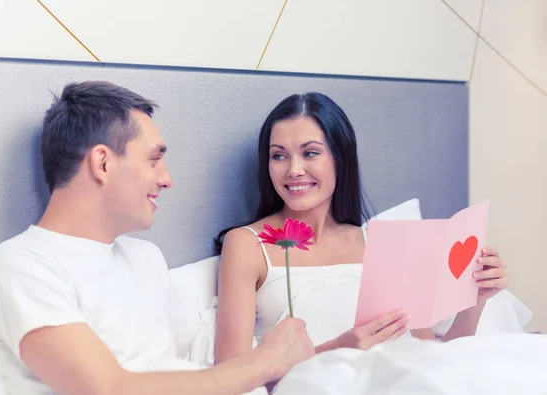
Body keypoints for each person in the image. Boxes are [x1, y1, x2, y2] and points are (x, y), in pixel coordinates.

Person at [0, 81, 315, 395]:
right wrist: (265, 361)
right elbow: (110, 389)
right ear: (102, 163)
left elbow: (165, 374)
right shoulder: (20, 268)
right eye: (154, 160)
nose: (166, 179)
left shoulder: (144, 258)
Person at [213, 92, 509, 364]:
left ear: (340, 159)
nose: (293, 170)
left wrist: (475, 302)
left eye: (310, 153)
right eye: (279, 155)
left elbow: (431, 360)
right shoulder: (247, 244)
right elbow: (230, 373)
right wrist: (338, 348)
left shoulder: (381, 244)